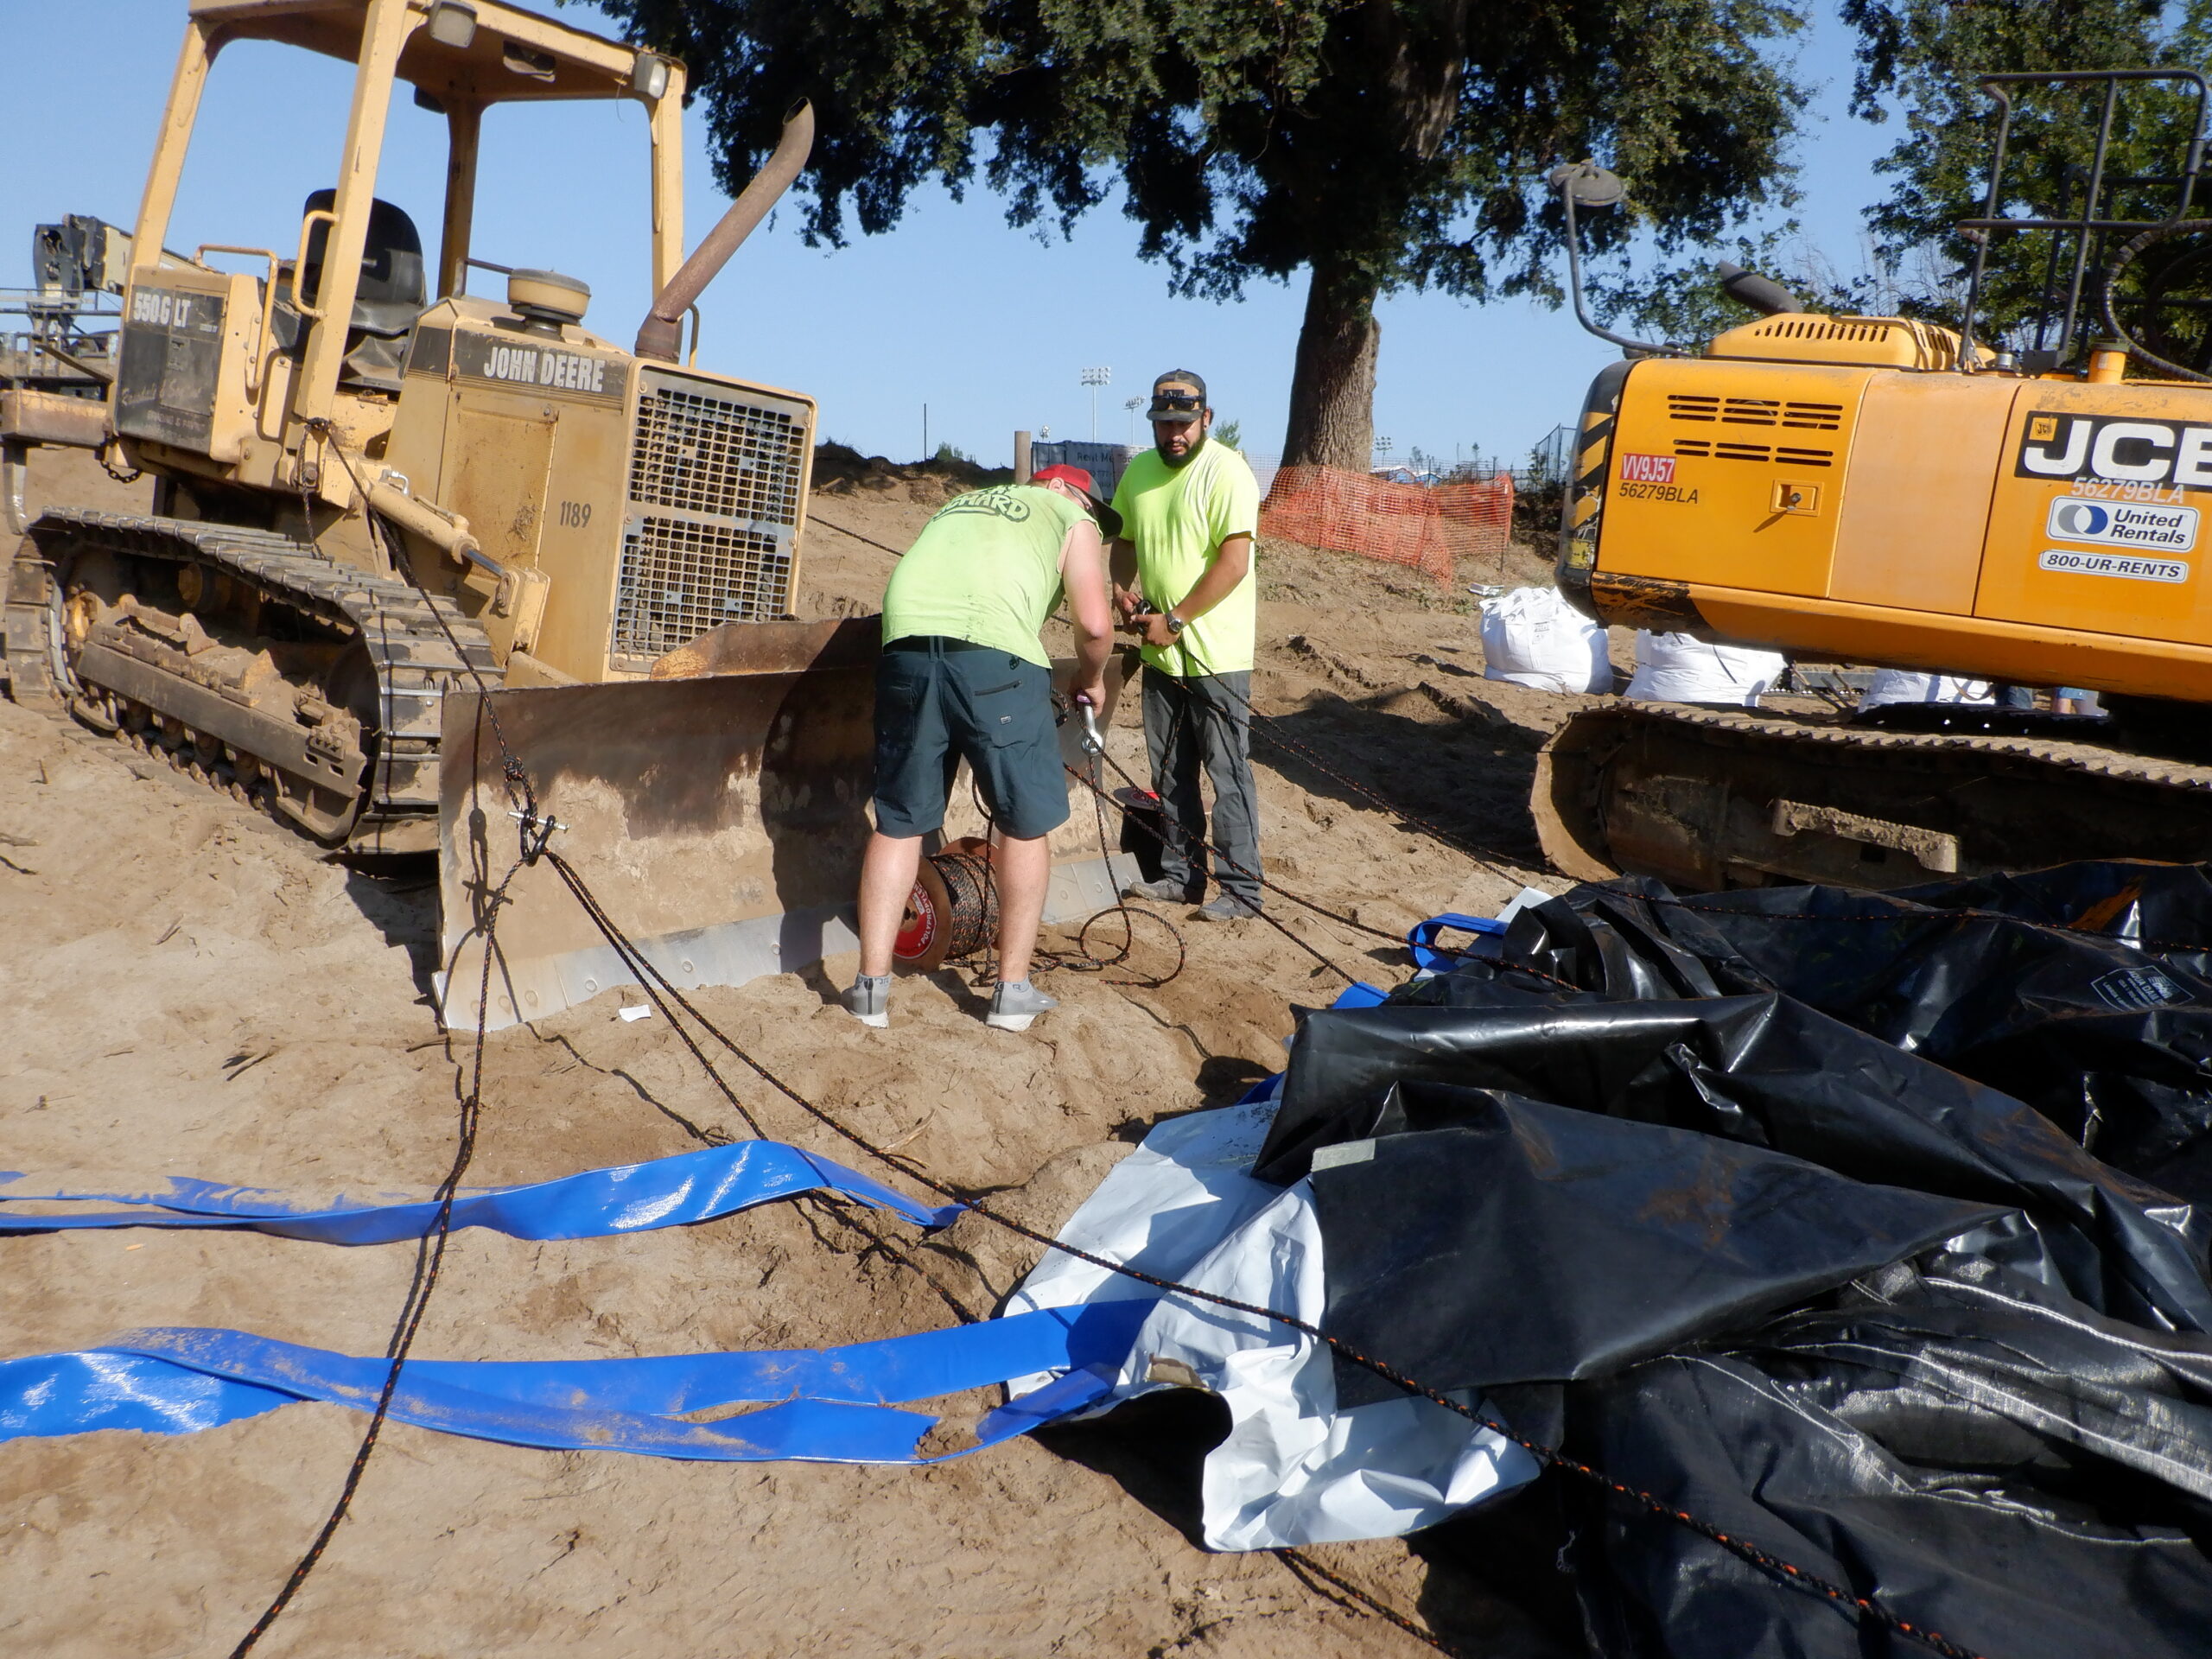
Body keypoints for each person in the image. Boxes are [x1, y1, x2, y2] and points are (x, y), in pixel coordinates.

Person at [844, 466, 1117, 1031]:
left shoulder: (961, 505)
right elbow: (1093, 624)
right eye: (1093, 507)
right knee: (1023, 823)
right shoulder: (1068, 514)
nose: (1092, 519)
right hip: (994, 659)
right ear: (1064, 490)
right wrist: (1092, 680)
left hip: (905, 653)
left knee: (899, 823)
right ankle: (1012, 994)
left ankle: (870, 991)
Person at [1109, 369, 1264, 922]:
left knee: (1228, 775)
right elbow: (1123, 538)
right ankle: (1180, 878)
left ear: (1206, 418)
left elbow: (1234, 562)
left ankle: (1243, 891)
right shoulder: (1140, 472)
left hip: (1215, 657)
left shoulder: (1228, 471)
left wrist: (1174, 619)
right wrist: (1122, 591)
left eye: (1184, 422)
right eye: (1165, 423)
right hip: (1159, 657)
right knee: (1170, 772)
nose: (1174, 433)